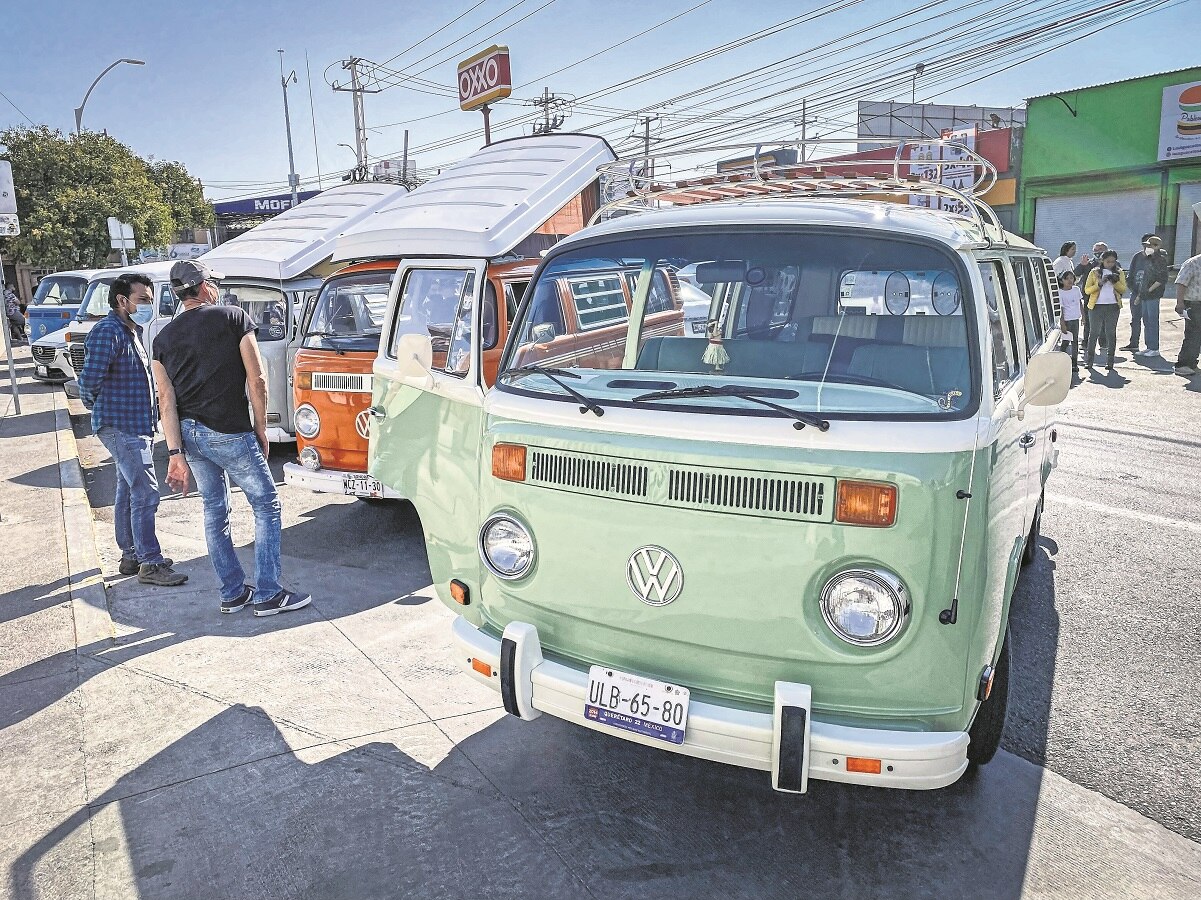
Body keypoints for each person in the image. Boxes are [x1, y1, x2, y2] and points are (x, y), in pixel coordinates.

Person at [152, 259, 310, 617]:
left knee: (214, 509)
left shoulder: (163, 339)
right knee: (266, 505)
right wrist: (260, 427)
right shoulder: (233, 317)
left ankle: (233, 592)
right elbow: (257, 379)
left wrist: (175, 451)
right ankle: (269, 593)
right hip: (229, 431)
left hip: (191, 436)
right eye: (212, 282)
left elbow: (166, 399)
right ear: (204, 286)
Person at [77, 273, 187, 586]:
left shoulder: (130, 331)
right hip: (121, 425)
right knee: (147, 492)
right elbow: (88, 382)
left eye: (150, 300)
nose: (148, 306)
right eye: (143, 300)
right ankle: (150, 563)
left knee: (127, 491)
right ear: (122, 301)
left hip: (136, 426)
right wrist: (100, 409)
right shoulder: (108, 331)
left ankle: (132, 555)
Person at [1120, 234, 1169, 357]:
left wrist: (1149, 290)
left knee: (1152, 320)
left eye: (1150, 245)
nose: (1147, 247)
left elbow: (1161, 278)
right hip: (1144, 294)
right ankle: (1149, 346)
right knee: (1146, 320)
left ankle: (1154, 347)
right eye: (1146, 245)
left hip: (1153, 294)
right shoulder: (1147, 258)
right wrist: (1141, 292)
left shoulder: (1160, 259)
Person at [1083, 250, 1127, 372]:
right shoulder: (1094, 272)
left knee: (1110, 333)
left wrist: (1114, 282)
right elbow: (1087, 290)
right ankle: (1089, 361)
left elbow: (1123, 289)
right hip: (1096, 306)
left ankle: (1110, 361)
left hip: (1113, 306)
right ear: (1102, 260)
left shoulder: (1119, 272)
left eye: (1113, 262)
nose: (1110, 264)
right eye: (1108, 261)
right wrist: (1100, 283)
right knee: (1094, 333)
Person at [1075, 241, 1107, 353]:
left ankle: (1104, 343)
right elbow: (1075, 274)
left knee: (1104, 322)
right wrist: (1081, 265)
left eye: (1100, 250)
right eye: (1095, 251)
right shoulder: (1088, 264)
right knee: (1088, 322)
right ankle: (1086, 342)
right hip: (1089, 298)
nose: (1097, 253)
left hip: (1106, 298)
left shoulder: (1112, 263)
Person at [1174, 251, 1201, 377]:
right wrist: (1179, 303)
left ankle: (1192, 362)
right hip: (1194, 304)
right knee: (1193, 334)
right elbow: (1181, 283)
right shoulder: (1193, 263)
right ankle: (1183, 364)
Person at [1057, 269, 1083, 374]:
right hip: (1067, 320)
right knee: (1066, 342)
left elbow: (1080, 303)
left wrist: (1084, 317)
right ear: (1062, 280)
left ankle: (1074, 363)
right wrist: (1062, 324)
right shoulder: (1060, 293)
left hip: (1075, 319)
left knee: (1075, 342)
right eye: (1066, 278)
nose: (1069, 281)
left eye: (1071, 278)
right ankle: (1061, 362)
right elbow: (1061, 309)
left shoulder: (1076, 290)